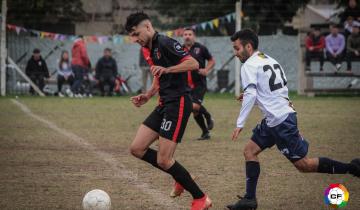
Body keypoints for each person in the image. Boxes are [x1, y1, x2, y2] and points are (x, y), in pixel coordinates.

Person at [226, 29, 360, 210]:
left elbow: (252, 92)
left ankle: (353, 168)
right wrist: (254, 97)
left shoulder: (249, 65)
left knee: (304, 165)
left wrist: (240, 123)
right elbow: (271, 91)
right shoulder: (268, 59)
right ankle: (250, 200)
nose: (235, 53)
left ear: (248, 46)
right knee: (249, 151)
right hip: (275, 118)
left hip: (281, 122)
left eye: (237, 48)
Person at [125, 12, 212, 210]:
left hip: (179, 103)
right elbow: (158, 75)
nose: (135, 39)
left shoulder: (164, 42)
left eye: (136, 34)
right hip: (164, 103)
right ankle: (180, 176)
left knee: (164, 160)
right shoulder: (149, 48)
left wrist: (168, 69)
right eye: (132, 36)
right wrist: (147, 95)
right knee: (137, 148)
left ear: (147, 27)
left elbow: (193, 63)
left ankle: (201, 198)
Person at [182, 28, 215, 140]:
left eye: (189, 34)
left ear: (194, 36)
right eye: (185, 34)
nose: (187, 36)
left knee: (194, 106)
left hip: (199, 83)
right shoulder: (179, 49)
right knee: (194, 111)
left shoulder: (200, 48)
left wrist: (206, 70)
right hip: (185, 84)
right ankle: (205, 133)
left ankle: (207, 115)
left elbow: (211, 60)